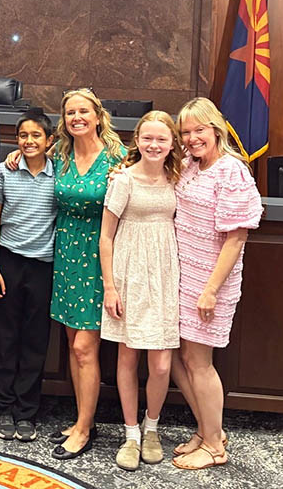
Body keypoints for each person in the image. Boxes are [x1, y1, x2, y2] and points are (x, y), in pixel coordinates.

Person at [7, 88, 125, 459]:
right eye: (70, 112)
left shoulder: (118, 157)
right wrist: (15, 153)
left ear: (97, 115)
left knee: (84, 348)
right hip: (66, 254)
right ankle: (79, 419)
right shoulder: (61, 154)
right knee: (74, 348)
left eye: (83, 112)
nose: (76, 118)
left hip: (101, 255)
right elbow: (31, 154)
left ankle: (85, 429)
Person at [170, 97, 262, 471]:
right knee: (177, 358)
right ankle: (209, 429)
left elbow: (236, 238)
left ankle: (213, 446)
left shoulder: (231, 171)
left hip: (210, 282)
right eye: (186, 132)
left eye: (198, 130)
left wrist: (210, 289)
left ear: (216, 129)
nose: (192, 138)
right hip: (182, 276)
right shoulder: (190, 166)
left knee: (198, 362)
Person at [99, 110, 184, 471]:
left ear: (171, 144)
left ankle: (153, 427)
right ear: (137, 140)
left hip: (164, 274)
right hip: (128, 273)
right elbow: (106, 237)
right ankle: (131, 433)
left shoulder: (179, 177)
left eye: (161, 139)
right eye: (147, 138)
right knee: (127, 358)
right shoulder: (123, 180)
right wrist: (109, 287)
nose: (153, 145)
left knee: (162, 363)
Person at [0, 110, 57, 444]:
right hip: (8, 261)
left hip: (44, 265)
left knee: (34, 340)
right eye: (23, 136)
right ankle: (2, 407)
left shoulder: (61, 174)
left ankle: (26, 410)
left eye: (36, 136)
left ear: (50, 141)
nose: (29, 142)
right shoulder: (5, 171)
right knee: (5, 337)